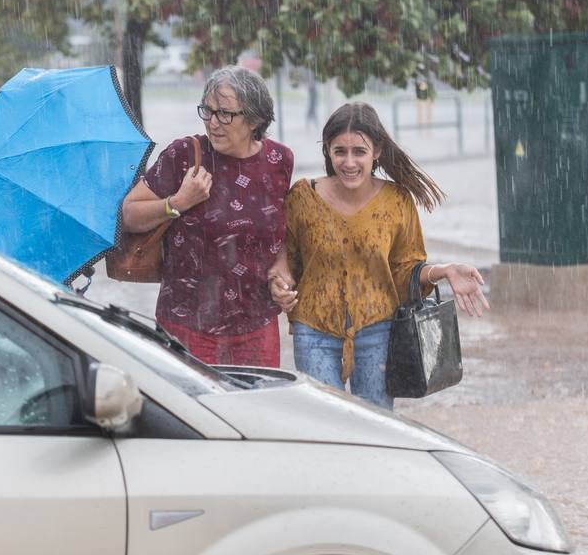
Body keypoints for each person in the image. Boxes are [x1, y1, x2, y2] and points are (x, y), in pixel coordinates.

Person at [269, 102, 488, 408]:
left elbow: (405, 268)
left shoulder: (397, 201)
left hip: (379, 331)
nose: (349, 162)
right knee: (325, 424)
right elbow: (284, 255)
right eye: (339, 151)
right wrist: (279, 281)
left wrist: (445, 270)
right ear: (327, 152)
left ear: (377, 151)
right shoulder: (303, 197)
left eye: (359, 151)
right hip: (314, 330)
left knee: (375, 426)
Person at [120, 66, 294, 366]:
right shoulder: (184, 155)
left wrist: (282, 271)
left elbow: (280, 232)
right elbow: (128, 214)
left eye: (225, 114)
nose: (213, 122)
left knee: (253, 411)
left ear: (255, 119)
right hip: (187, 325)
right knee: (189, 412)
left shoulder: (279, 160)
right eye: (208, 111)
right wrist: (177, 202)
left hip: (256, 325)